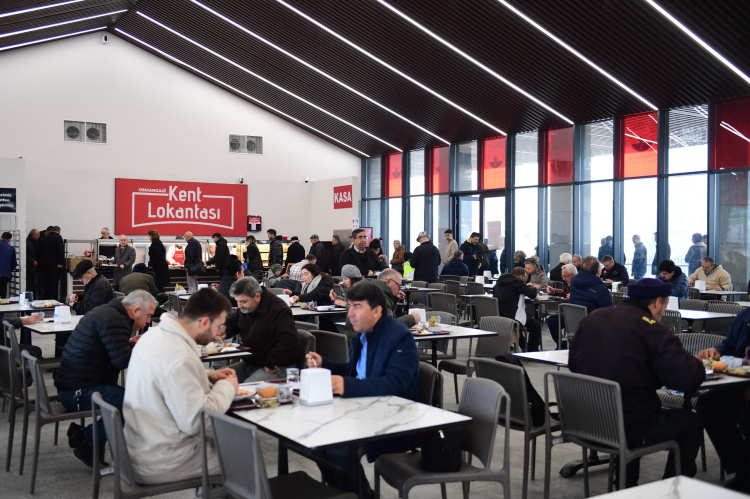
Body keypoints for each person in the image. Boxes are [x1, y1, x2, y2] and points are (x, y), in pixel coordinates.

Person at [569, 279, 705, 488]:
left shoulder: (593, 318)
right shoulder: (654, 331)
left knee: (630, 402)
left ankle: (625, 484)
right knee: (691, 422)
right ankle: (671, 490)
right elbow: (687, 379)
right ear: (658, 302)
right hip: (629, 427)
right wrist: (697, 364)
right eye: (664, 307)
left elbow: (573, 364)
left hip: (585, 420)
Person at [305, 281, 420, 498]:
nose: (350, 314)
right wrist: (325, 365)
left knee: (337, 446)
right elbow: (355, 372)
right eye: (350, 306)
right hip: (361, 407)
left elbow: (395, 384)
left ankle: (363, 496)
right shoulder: (363, 334)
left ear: (377, 311)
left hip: (394, 416)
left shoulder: (399, 336)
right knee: (314, 438)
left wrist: (345, 385)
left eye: (357, 307)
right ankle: (347, 494)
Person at [123, 289, 238, 484]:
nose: (218, 333)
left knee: (228, 446)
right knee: (245, 458)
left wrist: (208, 375)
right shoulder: (181, 356)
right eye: (218, 326)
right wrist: (227, 387)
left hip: (138, 447)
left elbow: (166, 376)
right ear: (204, 322)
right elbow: (197, 421)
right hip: (162, 460)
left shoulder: (153, 336)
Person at [55, 290, 156, 467]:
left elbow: (106, 348)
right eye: (148, 316)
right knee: (131, 404)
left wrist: (128, 344)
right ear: (135, 310)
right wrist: (146, 349)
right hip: (77, 392)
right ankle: (87, 440)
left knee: (127, 399)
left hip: (76, 383)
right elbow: (121, 361)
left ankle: (83, 438)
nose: (149, 321)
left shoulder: (110, 312)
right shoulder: (116, 321)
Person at [696, 307, 750, 492]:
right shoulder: (745, 316)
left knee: (747, 417)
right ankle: (743, 468)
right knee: (709, 405)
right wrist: (716, 351)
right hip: (742, 382)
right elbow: (729, 344)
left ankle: (745, 476)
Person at [225, 277, 299, 382]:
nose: (239, 306)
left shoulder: (278, 310)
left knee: (248, 387)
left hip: (276, 366)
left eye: (243, 302)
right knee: (215, 379)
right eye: (237, 301)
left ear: (257, 297)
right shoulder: (246, 307)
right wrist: (223, 331)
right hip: (250, 363)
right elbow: (233, 322)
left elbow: (289, 340)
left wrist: (270, 362)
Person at [548, 256, 614, 348]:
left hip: (572, 320)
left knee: (552, 320)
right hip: (590, 325)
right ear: (598, 271)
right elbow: (610, 311)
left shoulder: (574, 281)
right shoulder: (600, 288)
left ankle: (562, 345)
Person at [493, 267, 542, 352]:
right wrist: (534, 288)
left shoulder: (500, 282)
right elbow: (532, 294)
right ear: (521, 276)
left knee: (518, 326)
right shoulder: (517, 283)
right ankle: (531, 350)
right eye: (524, 277)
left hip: (498, 316)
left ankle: (524, 347)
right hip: (512, 316)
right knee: (536, 325)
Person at [38, 225, 64, 300]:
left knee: (46, 282)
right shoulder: (58, 238)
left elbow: (39, 251)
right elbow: (60, 250)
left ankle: (46, 298)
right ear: (59, 232)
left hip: (44, 264)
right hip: (54, 264)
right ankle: (54, 299)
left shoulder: (43, 238)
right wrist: (60, 263)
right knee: (54, 283)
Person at [0, 232, 17, 299]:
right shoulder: (11, 248)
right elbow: (14, 263)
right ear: (9, 239)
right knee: (3, 295)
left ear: (1, 237)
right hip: (4, 275)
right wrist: (8, 270)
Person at [25, 229, 39, 298]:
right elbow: (24, 254)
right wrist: (32, 261)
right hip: (28, 267)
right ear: (33, 235)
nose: (39, 236)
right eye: (38, 235)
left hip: (32, 267)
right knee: (30, 285)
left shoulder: (32, 243)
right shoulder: (27, 243)